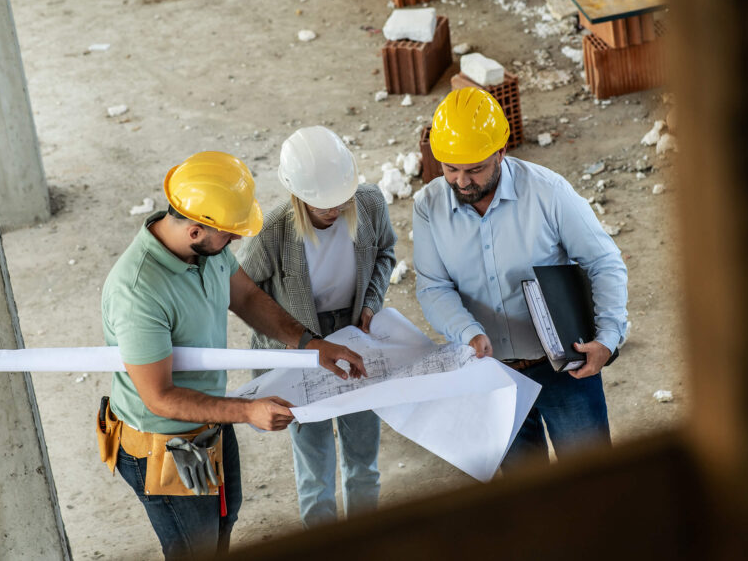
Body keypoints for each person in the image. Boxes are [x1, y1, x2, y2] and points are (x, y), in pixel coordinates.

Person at [100, 150, 367, 559]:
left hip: (209, 423)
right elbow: (160, 397)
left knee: (223, 523)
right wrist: (247, 411)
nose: (238, 240)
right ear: (195, 230)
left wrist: (309, 345)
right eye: (229, 233)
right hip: (164, 442)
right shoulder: (138, 292)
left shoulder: (206, 247)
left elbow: (245, 295)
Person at [412, 88, 628, 471]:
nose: (462, 181)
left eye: (475, 168)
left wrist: (608, 337)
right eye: (450, 168)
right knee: (525, 500)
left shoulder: (548, 193)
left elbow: (603, 261)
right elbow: (433, 286)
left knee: (592, 487)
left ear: (501, 151)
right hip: (491, 377)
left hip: (565, 367)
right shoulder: (429, 208)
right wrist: (467, 332)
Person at [237, 126, 396, 528]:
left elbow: (385, 253)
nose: (337, 210)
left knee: (363, 456)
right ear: (298, 195)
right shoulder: (273, 232)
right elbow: (239, 290)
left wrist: (372, 303)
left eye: (343, 201)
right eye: (324, 205)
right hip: (300, 346)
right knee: (315, 463)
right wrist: (293, 339)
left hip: (354, 337)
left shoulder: (370, 203)